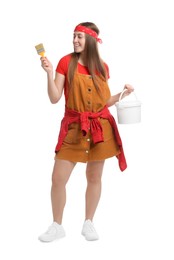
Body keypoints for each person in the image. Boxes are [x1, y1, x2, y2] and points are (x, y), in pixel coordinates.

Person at [38, 22, 134, 242]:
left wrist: (123, 94)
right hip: (74, 128)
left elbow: (103, 102)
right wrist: (49, 73)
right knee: (58, 179)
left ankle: (88, 222)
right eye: (73, 36)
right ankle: (57, 225)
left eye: (79, 37)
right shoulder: (66, 62)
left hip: (100, 128)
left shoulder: (103, 67)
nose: (75, 40)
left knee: (93, 177)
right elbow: (54, 98)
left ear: (90, 40)